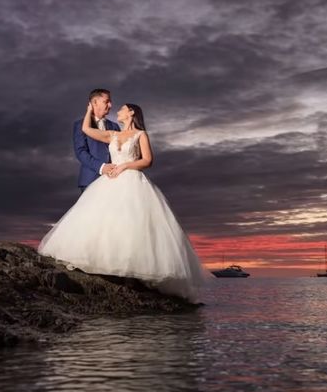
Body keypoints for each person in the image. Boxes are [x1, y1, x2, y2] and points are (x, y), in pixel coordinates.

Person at [38, 101, 205, 302]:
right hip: (110, 182)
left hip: (132, 180)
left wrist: (126, 165)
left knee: (133, 224)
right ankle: (107, 267)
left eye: (122, 108)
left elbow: (147, 160)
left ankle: (133, 273)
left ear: (131, 112)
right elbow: (85, 129)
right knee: (106, 222)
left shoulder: (141, 134)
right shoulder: (112, 134)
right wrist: (89, 110)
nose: (117, 110)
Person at [73, 89, 121, 193]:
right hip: (90, 180)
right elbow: (80, 152)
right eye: (106, 101)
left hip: (114, 180)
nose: (110, 105)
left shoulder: (115, 126)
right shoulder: (80, 125)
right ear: (94, 103)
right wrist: (101, 167)